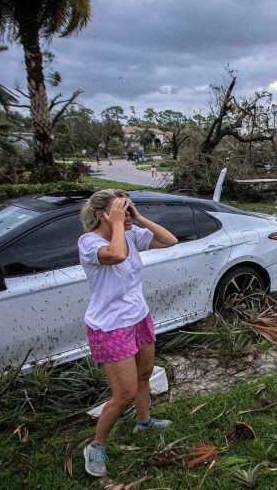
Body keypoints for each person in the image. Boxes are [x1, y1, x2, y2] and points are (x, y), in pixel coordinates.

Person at [78, 190, 178, 477]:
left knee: (145, 374)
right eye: (120, 209)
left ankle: (144, 422)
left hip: (138, 317)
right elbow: (117, 255)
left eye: (127, 207)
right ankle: (96, 446)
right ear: (102, 215)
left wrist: (138, 217)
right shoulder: (89, 242)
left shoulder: (131, 234)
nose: (126, 212)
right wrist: (120, 224)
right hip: (110, 327)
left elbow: (170, 240)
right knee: (124, 393)